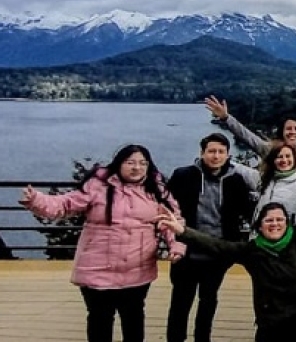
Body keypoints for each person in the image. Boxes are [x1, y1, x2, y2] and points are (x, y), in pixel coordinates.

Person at [20, 144, 185, 342]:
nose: (137, 168)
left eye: (143, 163)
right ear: (118, 164)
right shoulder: (98, 186)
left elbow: (172, 223)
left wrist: (176, 247)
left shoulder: (155, 190)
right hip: (96, 266)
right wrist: (37, 200)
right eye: (130, 162)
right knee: (100, 318)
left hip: (137, 268)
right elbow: (66, 204)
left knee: (133, 318)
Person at [155, 168, 296, 341]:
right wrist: (182, 231)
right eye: (269, 220)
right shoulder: (251, 251)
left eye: (279, 220)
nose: (275, 224)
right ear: (259, 226)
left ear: (287, 223)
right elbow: (217, 245)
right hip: (277, 316)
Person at [165, 134, 256, 342]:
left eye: (221, 152)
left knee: (208, 300)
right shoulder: (183, 175)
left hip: (217, 252)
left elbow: (249, 213)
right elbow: (168, 208)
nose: (216, 156)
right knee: (180, 301)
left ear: (228, 155)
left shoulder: (235, 180)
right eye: (211, 151)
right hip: (186, 250)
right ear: (202, 153)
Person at [204, 95, 296, 157]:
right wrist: (226, 117)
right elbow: (247, 136)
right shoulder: (269, 150)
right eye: (288, 128)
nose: (293, 132)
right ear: (282, 131)